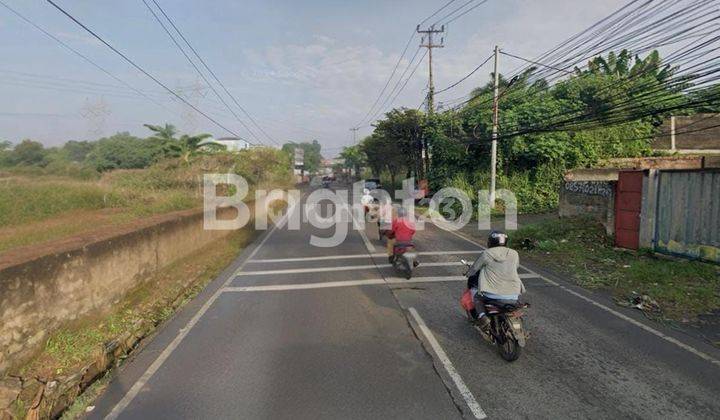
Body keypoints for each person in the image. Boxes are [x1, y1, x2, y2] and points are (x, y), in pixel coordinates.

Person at [466, 231, 525, 329]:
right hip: (514, 293)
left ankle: (483, 317)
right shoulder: (514, 253)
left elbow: (475, 268)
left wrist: (468, 273)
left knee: (477, 297)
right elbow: (516, 266)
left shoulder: (487, 253)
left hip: (492, 293)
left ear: (490, 242)